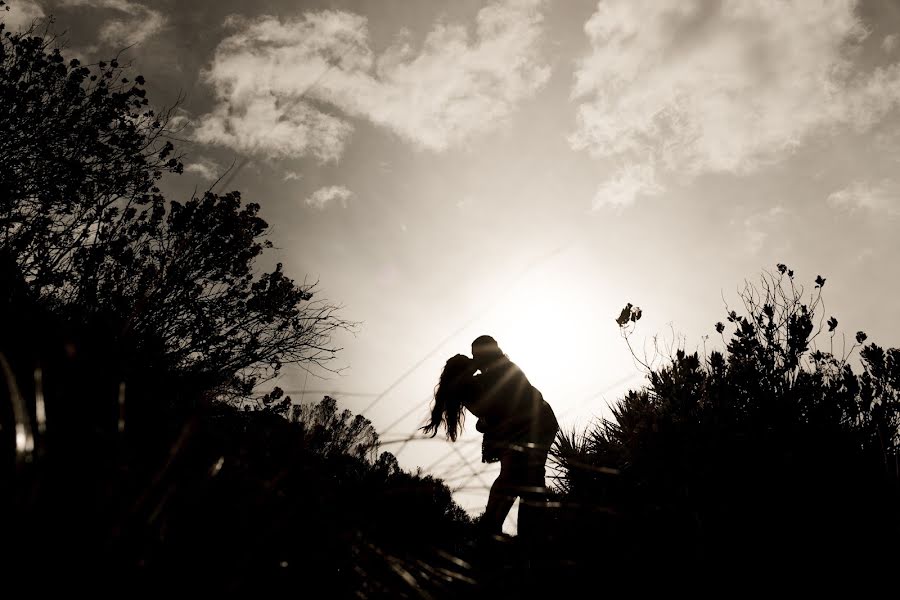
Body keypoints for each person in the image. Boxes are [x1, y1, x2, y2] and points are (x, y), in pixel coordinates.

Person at [421, 335, 558, 538]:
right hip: (524, 429)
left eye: (476, 355)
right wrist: (485, 421)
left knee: (522, 479)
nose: (474, 360)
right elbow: (492, 411)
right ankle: (505, 532)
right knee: (523, 480)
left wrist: (484, 422)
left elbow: (497, 409)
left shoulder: (498, 372)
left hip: (536, 427)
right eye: (472, 357)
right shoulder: (476, 383)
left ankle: (502, 531)